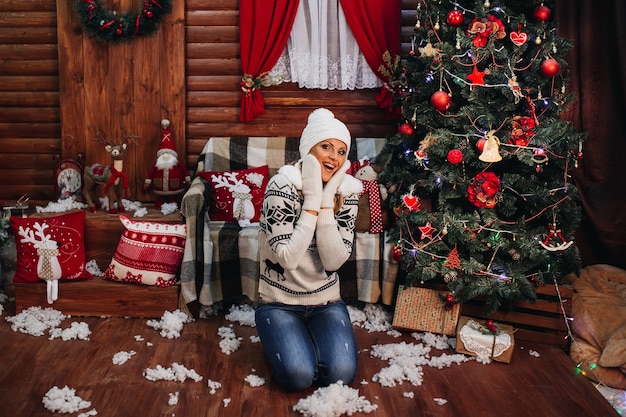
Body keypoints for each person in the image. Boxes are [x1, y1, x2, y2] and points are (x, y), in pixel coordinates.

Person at [255, 108, 364, 392]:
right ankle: (282, 335)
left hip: (326, 303)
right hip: (278, 303)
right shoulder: (282, 186)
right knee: (299, 376)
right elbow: (288, 259)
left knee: (340, 374)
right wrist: (312, 201)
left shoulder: (347, 192)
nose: (334, 157)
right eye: (326, 147)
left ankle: (306, 337)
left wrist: (327, 202)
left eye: (342, 151)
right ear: (308, 149)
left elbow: (333, 261)